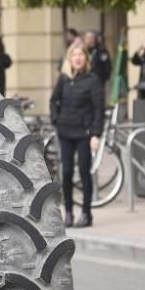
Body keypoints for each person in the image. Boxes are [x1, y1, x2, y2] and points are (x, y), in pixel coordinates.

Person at [51, 44, 105, 228]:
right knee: (66, 173)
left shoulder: (92, 80)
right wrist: (56, 119)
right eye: (74, 55)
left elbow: (99, 109)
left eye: (81, 54)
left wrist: (96, 134)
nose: (78, 58)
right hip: (65, 132)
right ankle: (68, 213)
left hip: (85, 133)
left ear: (86, 59)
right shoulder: (64, 79)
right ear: (69, 59)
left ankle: (86, 213)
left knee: (84, 172)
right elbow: (54, 100)